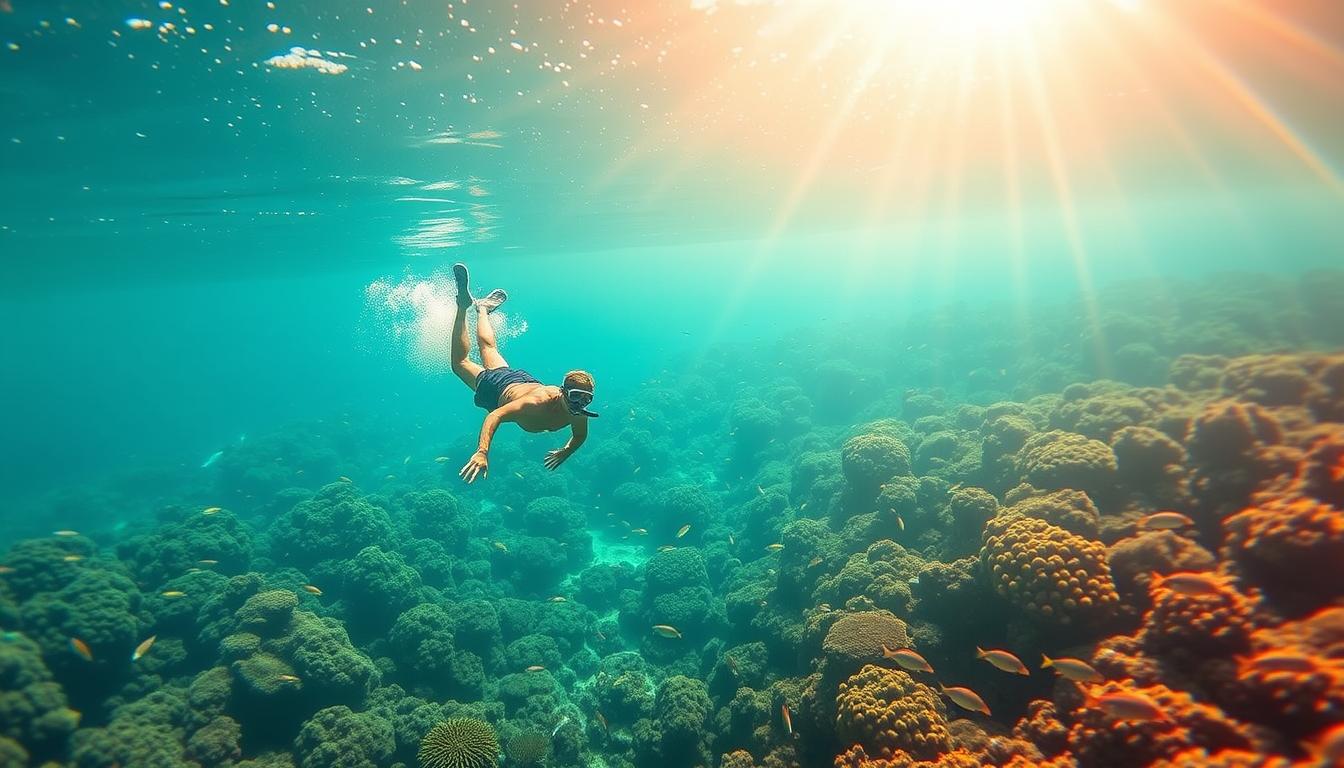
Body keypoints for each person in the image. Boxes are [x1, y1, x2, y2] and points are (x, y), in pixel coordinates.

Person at [449, 263, 596, 483]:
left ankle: (483, 309)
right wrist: (482, 451)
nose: (581, 403)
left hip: (522, 382)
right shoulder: (534, 404)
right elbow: (495, 416)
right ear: (563, 392)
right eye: (576, 396)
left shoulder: (579, 413)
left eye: (586, 399)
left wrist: (566, 451)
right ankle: (463, 306)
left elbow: (579, 435)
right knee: (460, 363)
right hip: (498, 388)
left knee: (489, 349)